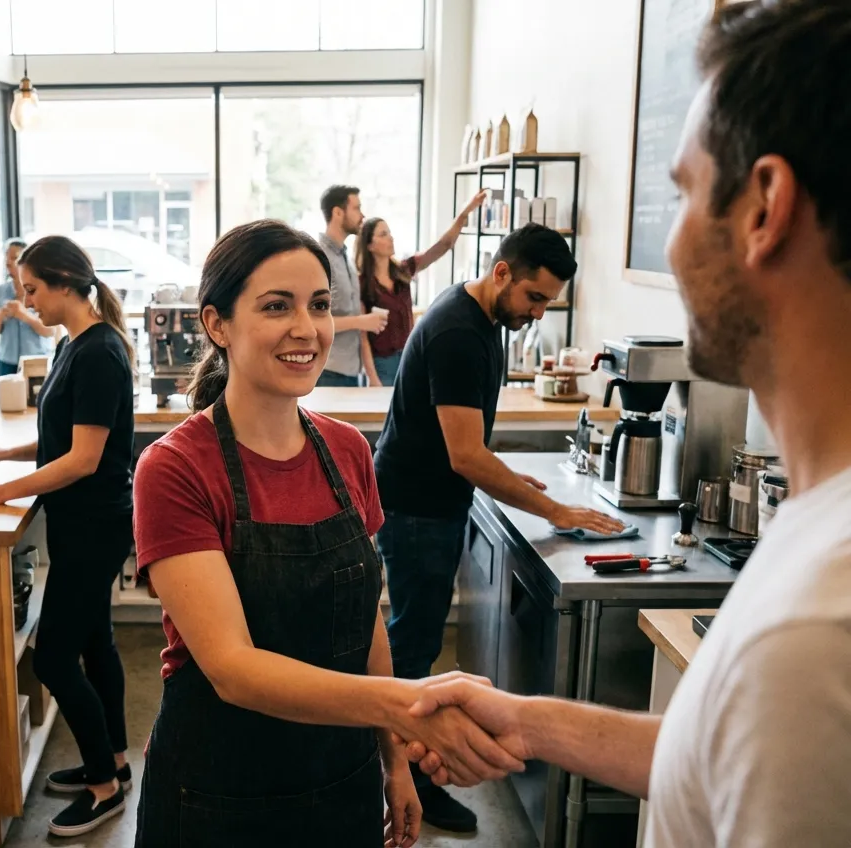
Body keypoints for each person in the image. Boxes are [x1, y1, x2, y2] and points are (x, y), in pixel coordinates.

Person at [403, 3, 851, 846]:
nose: (670, 239)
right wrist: (529, 723)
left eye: (680, 192)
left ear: (764, 208)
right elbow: (708, 751)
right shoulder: (813, 546)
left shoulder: (816, 630)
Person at [130, 220, 524, 848]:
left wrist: (394, 762)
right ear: (217, 325)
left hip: (342, 783)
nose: (306, 329)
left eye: (319, 305)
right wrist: (402, 705)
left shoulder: (346, 452)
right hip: (217, 792)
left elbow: (363, 619)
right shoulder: (176, 468)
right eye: (275, 306)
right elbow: (233, 669)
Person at [372, 223, 623, 832]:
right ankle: (408, 787)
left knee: (414, 642)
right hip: (416, 509)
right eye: (534, 298)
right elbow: (464, 454)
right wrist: (558, 512)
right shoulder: (460, 331)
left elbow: (467, 440)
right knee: (412, 648)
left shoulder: (482, 319)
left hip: (426, 502)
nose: (536, 313)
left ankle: (402, 774)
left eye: (547, 303)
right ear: (503, 272)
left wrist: (510, 478)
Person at [0, 236, 137, 838]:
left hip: (95, 522)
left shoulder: (99, 353)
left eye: (31, 288)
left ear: (63, 283)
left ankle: (104, 790)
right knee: (95, 643)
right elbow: (63, 436)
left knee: (55, 655)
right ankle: (110, 760)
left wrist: (0, 492)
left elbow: (84, 459)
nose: (26, 300)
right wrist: (2, 453)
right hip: (83, 520)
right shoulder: (72, 345)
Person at [356, 193, 487, 387]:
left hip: (410, 357)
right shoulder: (362, 283)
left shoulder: (403, 271)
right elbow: (362, 337)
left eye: (390, 232)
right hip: (381, 364)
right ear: (369, 245)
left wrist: (465, 212)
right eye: (383, 234)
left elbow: (444, 245)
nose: (391, 237)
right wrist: (372, 377)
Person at [316, 185, 389, 386]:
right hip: (329, 371)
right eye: (356, 208)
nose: (362, 215)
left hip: (351, 371)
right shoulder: (320, 258)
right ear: (338, 213)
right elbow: (315, 319)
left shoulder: (345, 258)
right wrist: (361, 321)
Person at [0, 237, 52, 376]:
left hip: (37, 360)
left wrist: (23, 315)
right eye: (7, 258)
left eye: (14, 258)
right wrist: (1, 314)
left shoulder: (41, 289)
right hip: (6, 362)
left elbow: (50, 331)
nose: (8, 263)